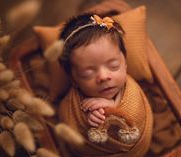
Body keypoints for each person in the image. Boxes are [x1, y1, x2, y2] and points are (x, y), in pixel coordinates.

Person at [58, 13, 153, 157]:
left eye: (113, 66)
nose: (103, 77)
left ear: (125, 64)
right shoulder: (72, 103)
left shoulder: (131, 90)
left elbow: (137, 116)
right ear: (74, 80)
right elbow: (66, 118)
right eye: (88, 73)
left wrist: (112, 108)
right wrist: (89, 120)